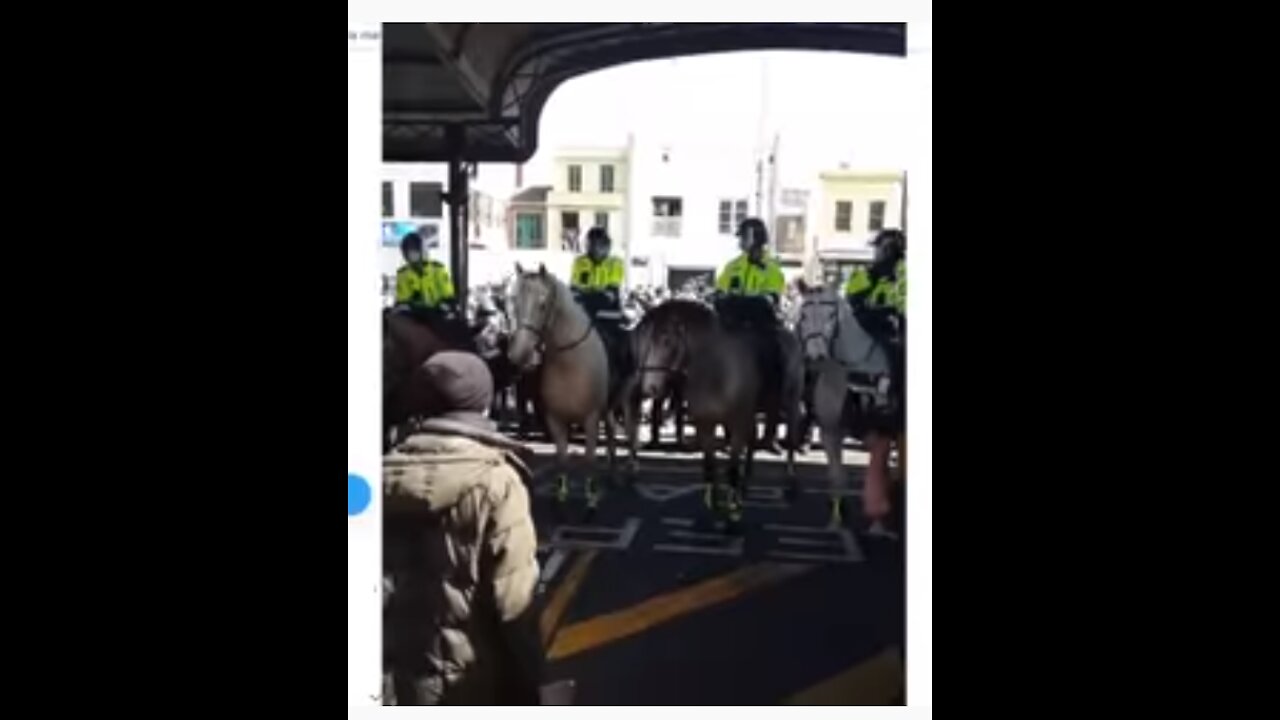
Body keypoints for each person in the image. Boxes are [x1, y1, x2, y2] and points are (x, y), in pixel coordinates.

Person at [382, 352, 544, 705]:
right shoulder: (497, 482)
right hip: (467, 681)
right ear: (483, 406)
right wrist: (532, 683)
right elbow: (514, 601)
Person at [843, 228, 906, 527]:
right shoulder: (867, 273)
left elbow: (904, 302)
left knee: (896, 352)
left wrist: (893, 310)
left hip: (897, 333)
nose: (876, 254)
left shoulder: (906, 271)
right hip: (870, 329)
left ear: (891, 249)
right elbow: (851, 295)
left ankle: (892, 398)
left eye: (880, 249)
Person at [715, 217, 787, 450]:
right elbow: (719, 296)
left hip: (762, 327)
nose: (740, 241)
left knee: (775, 361)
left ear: (756, 237)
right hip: (734, 326)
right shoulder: (732, 266)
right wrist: (740, 302)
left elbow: (769, 301)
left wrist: (738, 301)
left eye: (743, 236)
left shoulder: (773, 268)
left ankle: (771, 430)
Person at [570, 227, 628, 384]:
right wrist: (594, 293)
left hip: (608, 315)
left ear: (607, 246)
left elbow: (610, 294)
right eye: (591, 244)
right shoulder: (580, 262)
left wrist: (587, 294)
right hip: (584, 315)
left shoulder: (615, 263)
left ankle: (624, 379)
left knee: (622, 347)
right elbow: (574, 289)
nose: (594, 248)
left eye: (599, 244)